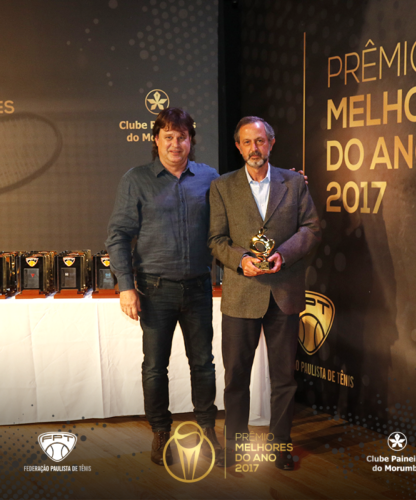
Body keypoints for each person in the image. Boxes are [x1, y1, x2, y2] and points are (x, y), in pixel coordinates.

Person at [105, 107, 222, 467]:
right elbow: (118, 235)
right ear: (155, 140)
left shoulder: (209, 177)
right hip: (154, 290)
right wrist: (126, 286)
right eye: (168, 137)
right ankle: (160, 432)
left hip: (199, 288)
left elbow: (236, 214)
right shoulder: (136, 179)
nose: (175, 144)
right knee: (155, 367)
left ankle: (207, 429)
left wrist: (286, 183)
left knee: (203, 364)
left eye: (181, 137)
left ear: (191, 141)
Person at [208, 116, 321, 470]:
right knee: (236, 378)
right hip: (241, 296)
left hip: (283, 295)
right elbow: (216, 240)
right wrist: (240, 260)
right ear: (238, 146)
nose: (254, 148)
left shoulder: (294, 183)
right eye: (247, 142)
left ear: (271, 143)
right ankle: (235, 446)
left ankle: (281, 445)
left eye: (260, 141)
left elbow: (311, 228)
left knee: (284, 379)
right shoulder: (221, 187)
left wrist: (283, 255)